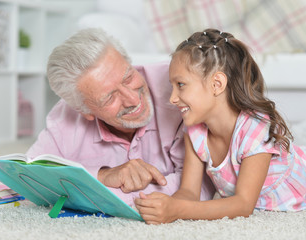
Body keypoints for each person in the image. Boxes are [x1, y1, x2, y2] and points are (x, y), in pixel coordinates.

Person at [135, 28, 306, 224]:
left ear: (217, 84)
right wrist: (167, 207)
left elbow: (243, 205)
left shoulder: (254, 130)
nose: (172, 98)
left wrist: (178, 209)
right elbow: (189, 191)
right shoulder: (194, 132)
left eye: (180, 85)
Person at [26, 28, 215, 206]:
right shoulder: (65, 117)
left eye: (128, 77)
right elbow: (29, 176)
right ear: (84, 110)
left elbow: (201, 186)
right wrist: (103, 177)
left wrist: (99, 192)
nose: (133, 99)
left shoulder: (180, 89)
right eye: (109, 97)